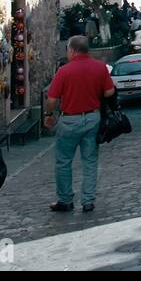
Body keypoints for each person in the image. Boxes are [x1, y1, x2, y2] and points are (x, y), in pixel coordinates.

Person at [44, 35, 116, 213]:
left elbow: (52, 99)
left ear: (73, 50)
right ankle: (88, 200)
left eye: (67, 49)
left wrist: (48, 114)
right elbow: (109, 92)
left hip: (69, 119)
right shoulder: (100, 68)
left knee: (63, 161)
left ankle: (65, 199)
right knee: (90, 161)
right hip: (92, 118)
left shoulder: (64, 71)